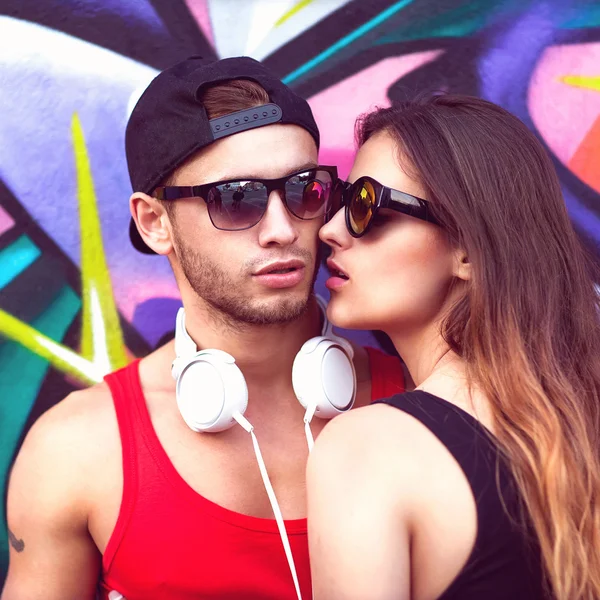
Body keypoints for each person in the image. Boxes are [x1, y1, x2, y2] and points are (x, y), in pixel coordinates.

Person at [2, 57, 405, 600]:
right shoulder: (77, 451)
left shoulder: (418, 399)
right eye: (237, 199)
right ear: (155, 223)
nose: (283, 229)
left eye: (304, 190)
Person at [308, 95, 600, 600]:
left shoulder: (369, 448)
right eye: (339, 203)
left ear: (467, 249)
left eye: (364, 206)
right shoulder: (580, 426)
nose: (330, 231)